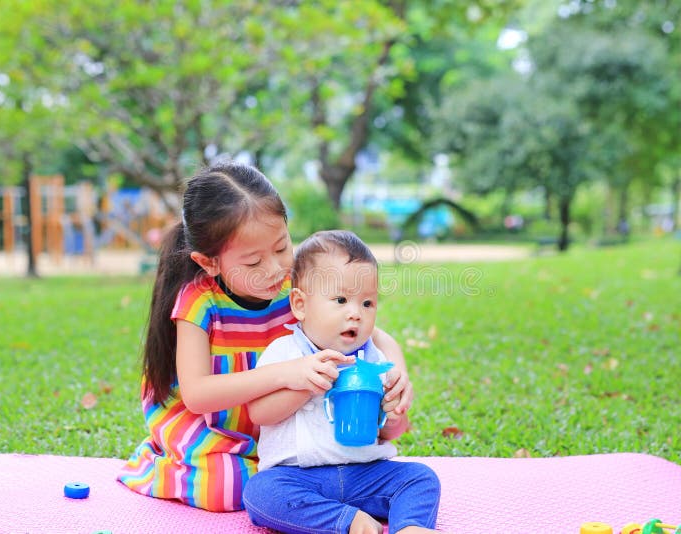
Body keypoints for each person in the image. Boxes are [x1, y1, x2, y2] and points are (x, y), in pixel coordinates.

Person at [117, 162, 413, 512]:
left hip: (275, 422)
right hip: (210, 424)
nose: (274, 270)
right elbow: (197, 395)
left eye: (281, 247)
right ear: (209, 262)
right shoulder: (200, 302)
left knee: (308, 470)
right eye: (254, 262)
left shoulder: (294, 289)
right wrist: (287, 373)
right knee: (229, 489)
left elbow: (376, 336)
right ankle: (159, 464)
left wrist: (397, 372)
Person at [243, 230, 441, 534]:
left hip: (365, 473)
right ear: (300, 304)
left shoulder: (374, 360)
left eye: (367, 303)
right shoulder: (284, 352)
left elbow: (390, 433)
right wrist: (306, 385)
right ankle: (348, 521)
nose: (355, 314)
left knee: (421, 478)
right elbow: (259, 414)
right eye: (340, 300)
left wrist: (396, 412)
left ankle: (410, 527)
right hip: (298, 475)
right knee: (260, 494)